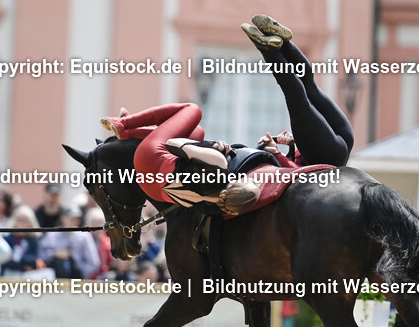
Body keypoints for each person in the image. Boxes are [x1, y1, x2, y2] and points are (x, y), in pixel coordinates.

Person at [100, 102, 262, 214]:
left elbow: (173, 144)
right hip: (152, 189)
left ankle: (124, 123)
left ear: (235, 183)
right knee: (197, 132)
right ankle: (129, 133)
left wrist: (212, 147)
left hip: (149, 160)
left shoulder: (219, 163)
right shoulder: (218, 205)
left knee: (193, 110)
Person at [242, 14, 354, 167]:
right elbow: (295, 173)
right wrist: (276, 153)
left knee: (309, 87)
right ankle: (272, 49)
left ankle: (284, 43)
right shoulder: (314, 162)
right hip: (325, 156)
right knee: (298, 97)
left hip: (343, 137)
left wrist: (284, 146)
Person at [39, 206, 100, 279]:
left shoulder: (84, 236)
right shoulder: (52, 235)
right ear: (63, 218)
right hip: (54, 278)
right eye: (71, 218)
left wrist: (80, 274)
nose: (74, 221)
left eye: (77, 218)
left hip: (77, 277)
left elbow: (93, 263)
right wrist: (54, 253)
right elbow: (41, 254)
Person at [2, 205, 44, 276]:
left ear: (30, 224)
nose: (22, 224)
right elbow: (5, 260)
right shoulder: (7, 239)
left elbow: (36, 259)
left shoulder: (34, 240)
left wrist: (18, 257)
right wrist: (24, 267)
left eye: (25, 221)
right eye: (20, 220)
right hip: (10, 275)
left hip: (29, 276)